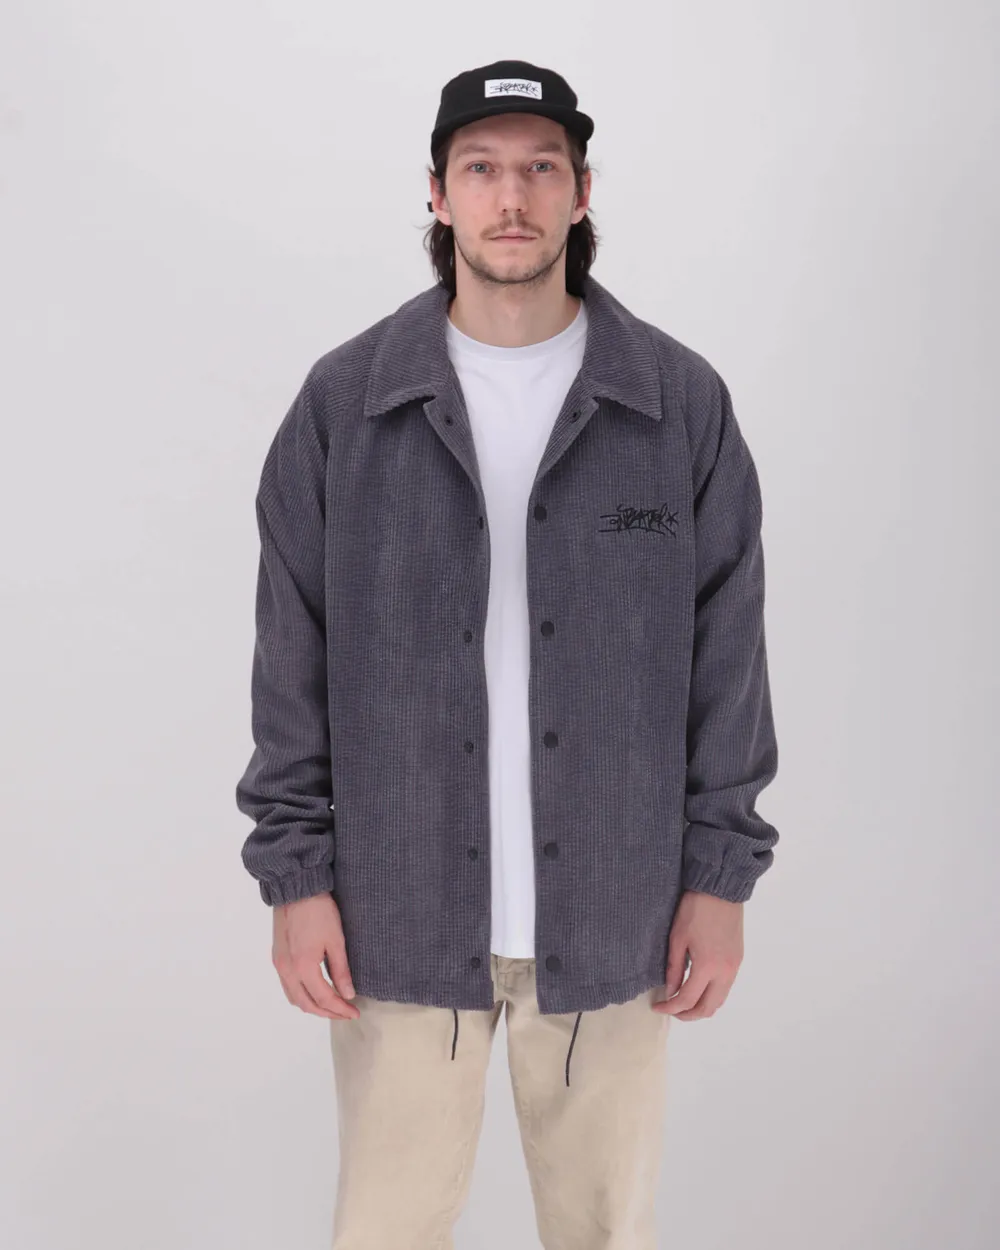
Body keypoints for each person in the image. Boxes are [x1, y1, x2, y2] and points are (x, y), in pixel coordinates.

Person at [235, 57, 780, 1250]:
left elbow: (729, 655)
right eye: (481, 168)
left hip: (620, 916)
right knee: (384, 1232)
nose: (513, 197)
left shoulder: (677, 404)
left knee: (606, 1233)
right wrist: (295, 875)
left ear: (583, 191)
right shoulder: (344, 405)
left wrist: (720, 878)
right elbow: (291, 656)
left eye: (541, 167)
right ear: (437, 194)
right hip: (395, 912)